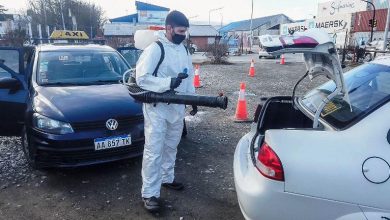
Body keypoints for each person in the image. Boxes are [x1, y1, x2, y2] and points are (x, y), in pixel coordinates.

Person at [135, 10, 196, 212]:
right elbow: (141, 78)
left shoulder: (184, 50)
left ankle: (166, 178)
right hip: (158, 109)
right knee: (154, 150)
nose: (183, 35)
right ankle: (150, 193)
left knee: (171, 146)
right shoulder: (155, 49)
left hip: (177, 108)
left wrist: (193, 99)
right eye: (180, 31)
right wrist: (168, 82)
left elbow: (188, 77)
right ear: (168, 28)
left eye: (185, 31)